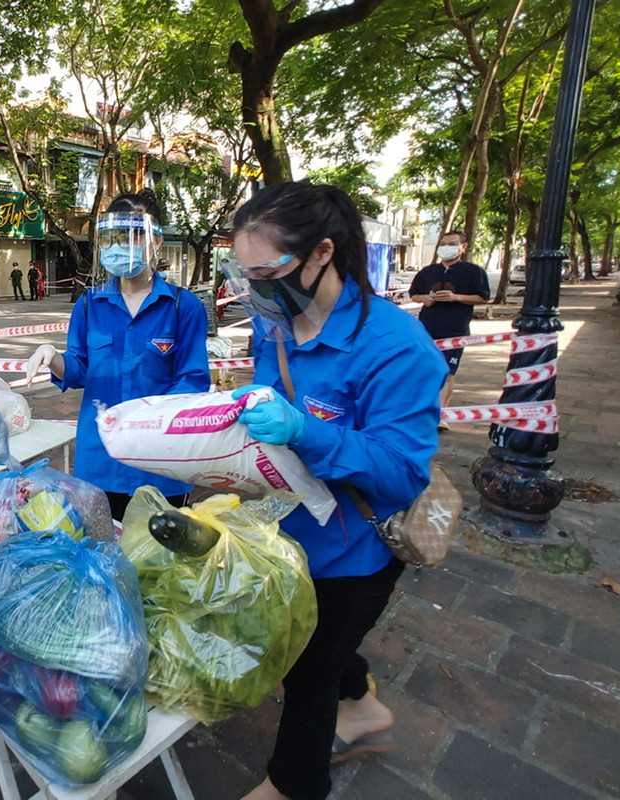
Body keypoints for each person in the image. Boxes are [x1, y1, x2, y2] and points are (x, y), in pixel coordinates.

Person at [220, 182, 445, 800]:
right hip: (289, 531)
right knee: (316, 642)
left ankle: (294, 784)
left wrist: (305, 431)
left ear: (322, 253)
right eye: (245, 275)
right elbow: (267, 412)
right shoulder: (276, 327)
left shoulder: (397, 348)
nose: (255, 290)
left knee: (307, 673)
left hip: (355, 549)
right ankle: (365, 708)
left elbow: (402, 472)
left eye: (266, 273)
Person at [24, 189, 210, 520]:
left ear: (156, 239)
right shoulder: (89, 305)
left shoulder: (183, 306)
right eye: (113, 238)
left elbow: (193, 380)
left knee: (158, 548)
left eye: (133, 236)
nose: (121, 246)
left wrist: (147, 419)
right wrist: (53, 357)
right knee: (103, 544)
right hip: (101, 458)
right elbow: (80, 369)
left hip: (160, 461)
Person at [408, 230, 490, 429]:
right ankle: (420, 410)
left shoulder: (474, 272)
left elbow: (483, 297)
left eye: (452, 244)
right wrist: (423, 298)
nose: (446, 248)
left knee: (447, 371)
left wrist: (456, 298)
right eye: (443, 244)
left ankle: (441, 415)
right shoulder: (428, 272)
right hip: (427, 327)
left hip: (455, 329)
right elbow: (414, 294)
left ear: (463, 247)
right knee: (425, 369)